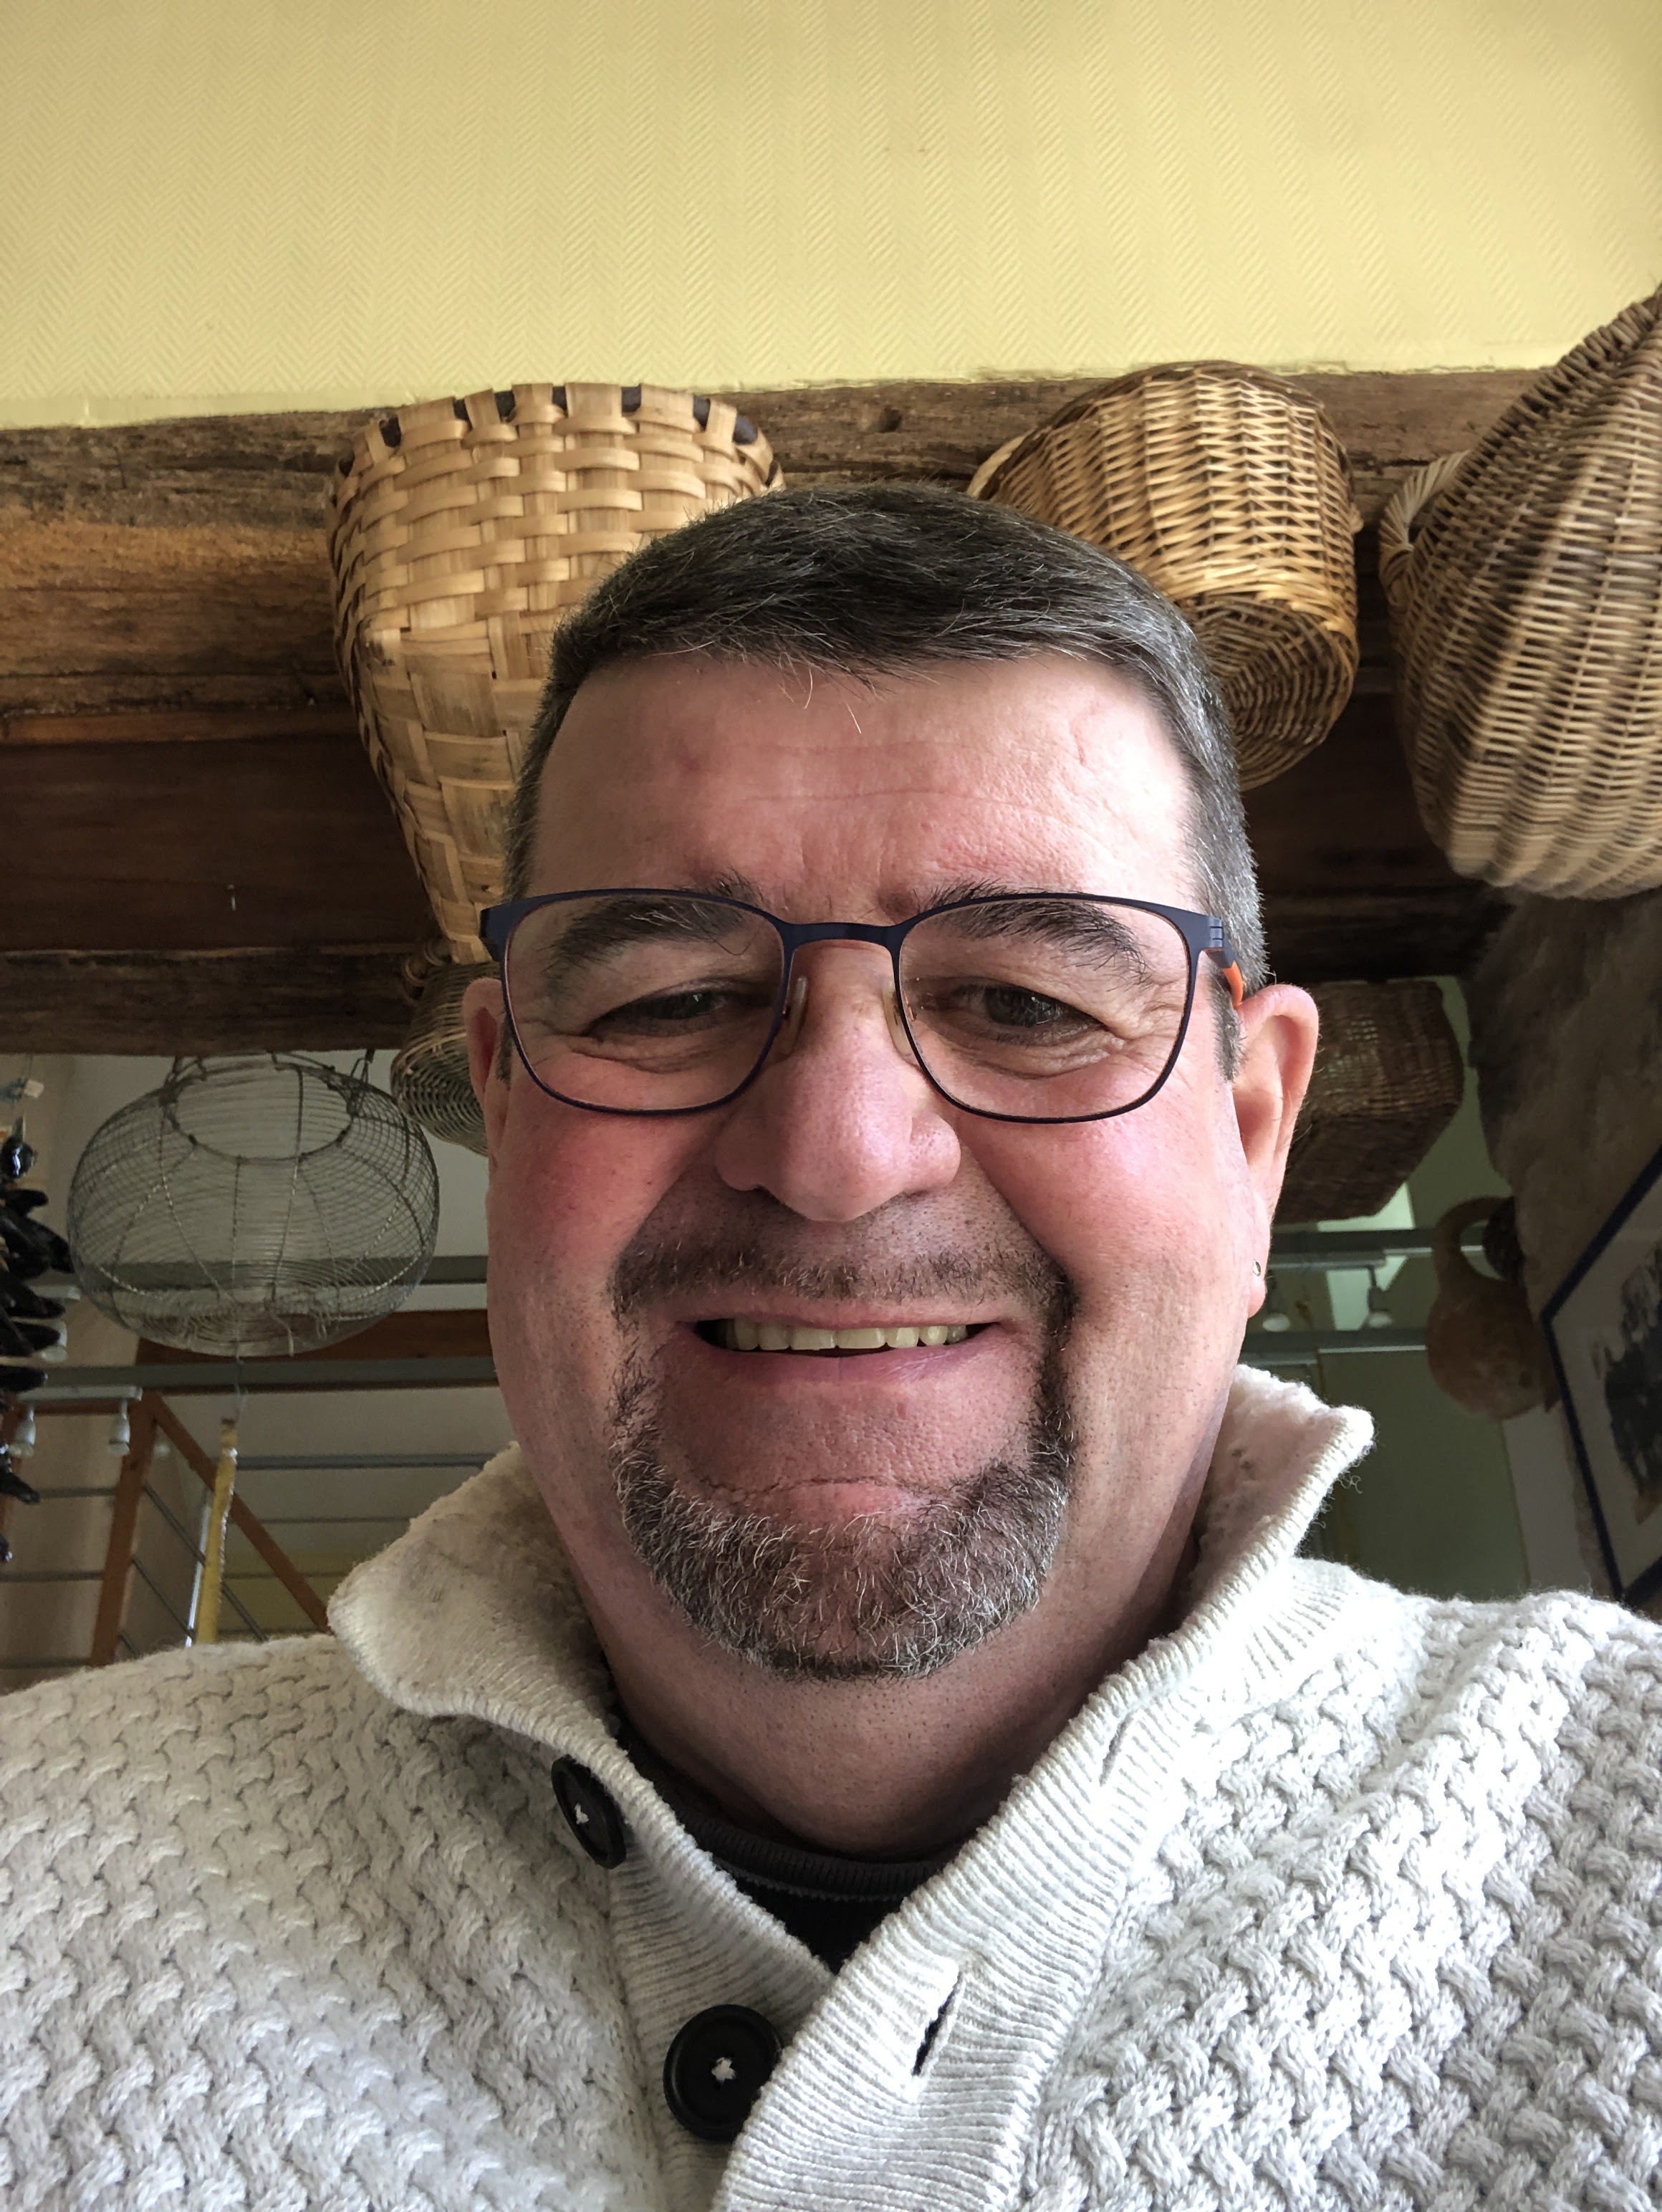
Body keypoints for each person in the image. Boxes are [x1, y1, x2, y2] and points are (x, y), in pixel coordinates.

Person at [3, 486, 1659, 2212]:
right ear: (501, 1100)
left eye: (1027, 1002)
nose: (837, 1151)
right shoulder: (39, 1881)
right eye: (667, 998)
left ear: (1249, 1138)